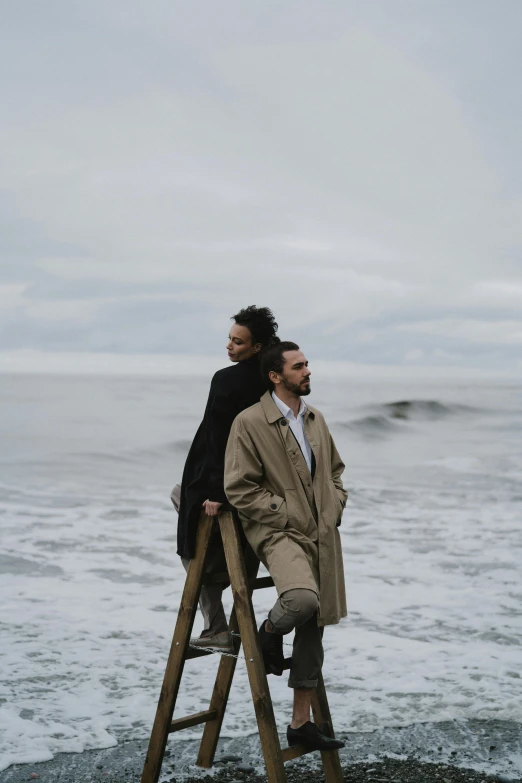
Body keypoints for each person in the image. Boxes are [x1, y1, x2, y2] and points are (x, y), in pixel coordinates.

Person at [224, 341, 347, 751]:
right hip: (279, 532)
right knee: (301, 601)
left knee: (315, 627)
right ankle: (267, 632)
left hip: (322, 532)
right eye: (299, 366)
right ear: (276, 376)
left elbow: (335, 472)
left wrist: (335, 506)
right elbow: (239, 488)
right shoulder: (250, 422)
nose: (308, 371)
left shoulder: (315, 418)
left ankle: (300, 725)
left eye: (308, 364)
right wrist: (286, 512)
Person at [172, 306, 279, 653]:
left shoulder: (227, 379)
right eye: (230, 339)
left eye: (238, 342)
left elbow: (219, 438)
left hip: (219, 480)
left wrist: (219, 490)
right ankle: (217, 581)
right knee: (194, 522)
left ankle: (215, 622)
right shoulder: (273, 378)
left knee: (189, 537)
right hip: (258, 480)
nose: (229, 347)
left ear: (258, 346)